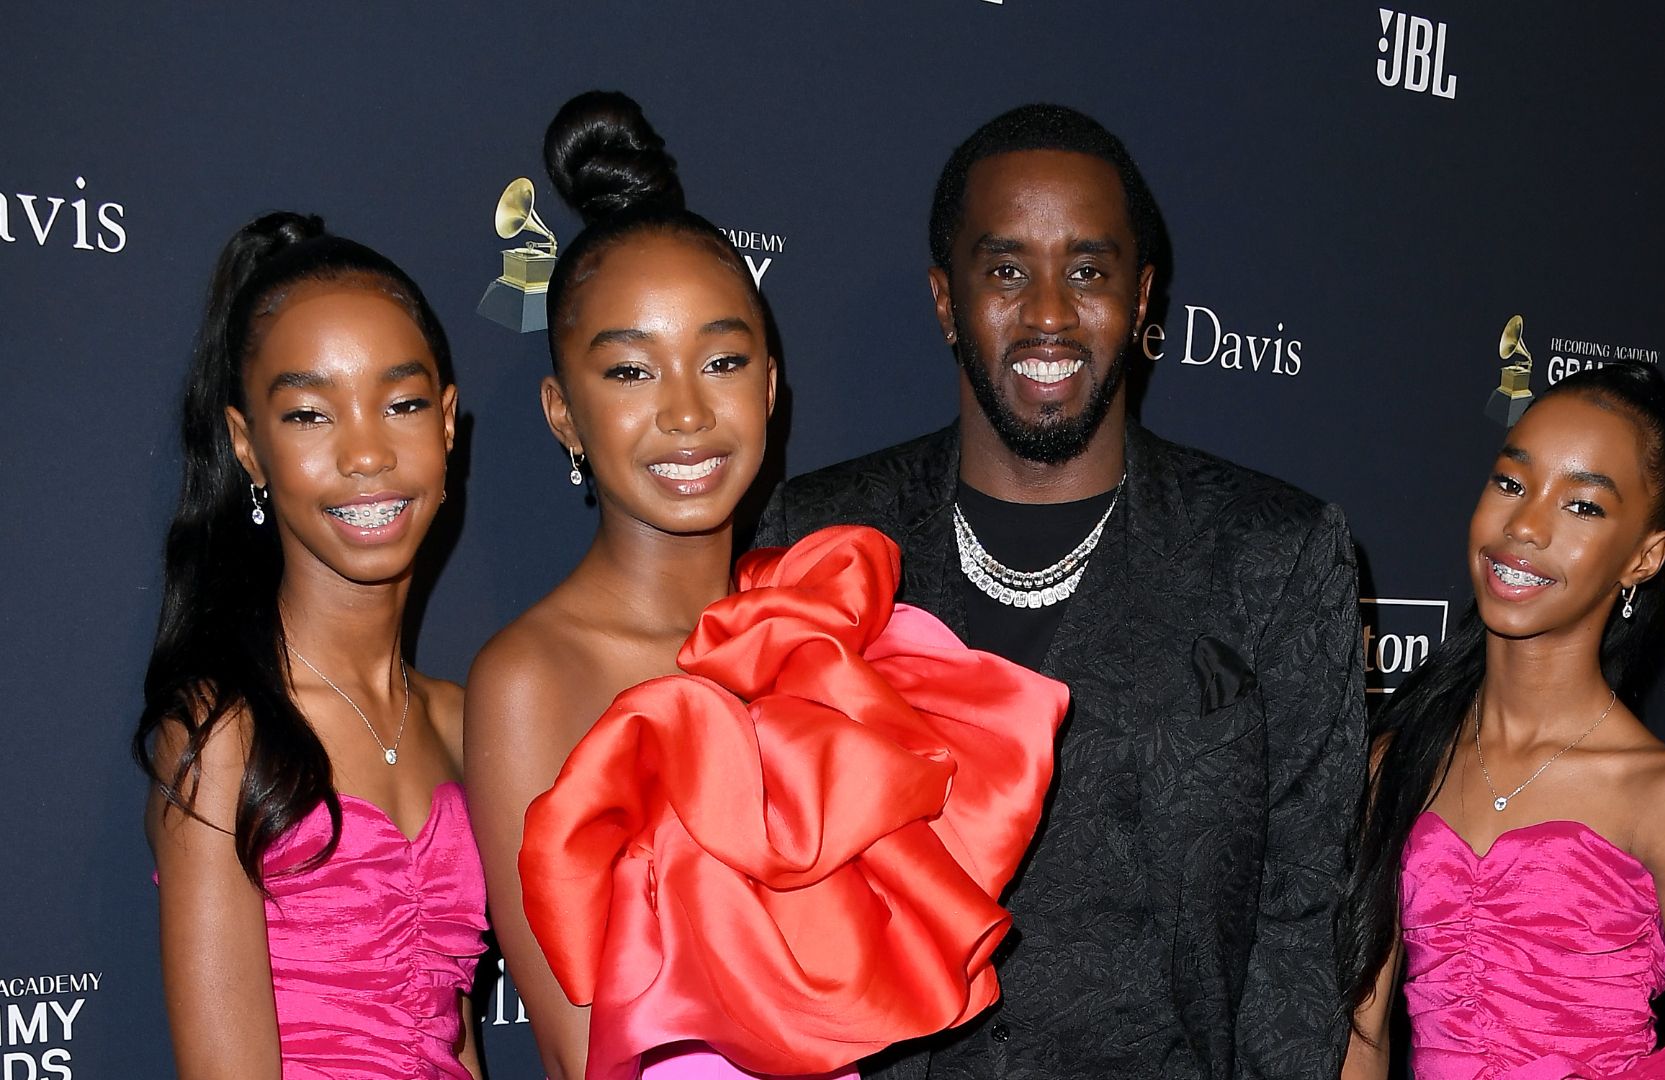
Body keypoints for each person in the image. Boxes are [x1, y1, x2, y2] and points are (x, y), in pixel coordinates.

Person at [753, 103, 1367, 1079]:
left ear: (1143, 296)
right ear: (946, 300)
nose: (1048, 312)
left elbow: (1303, 923)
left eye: (1088, 270)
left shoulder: (1274, 554)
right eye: (1005, 271)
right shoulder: (824, 530)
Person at [464, 91, 1068, 1080]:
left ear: (772, 388)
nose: (688, 412)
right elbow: (584, 1054)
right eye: (630, 373)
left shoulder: (831, 629)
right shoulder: (531, 676)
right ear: (562, 413)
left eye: (723, 359)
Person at [135, 213, 484, 1080]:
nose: (367, 452)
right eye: (309, 415)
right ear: (249, 447)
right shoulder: (222, 739)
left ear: (446, 424)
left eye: (401, 403)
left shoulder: (467, 719)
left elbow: (451, 1036)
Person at [1338, 363, 1665, 1080]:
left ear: (1644, 556)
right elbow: (1364, 1037)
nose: (1526, 525)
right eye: (1511, 483)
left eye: (1584, 507)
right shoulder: (1399, 758)